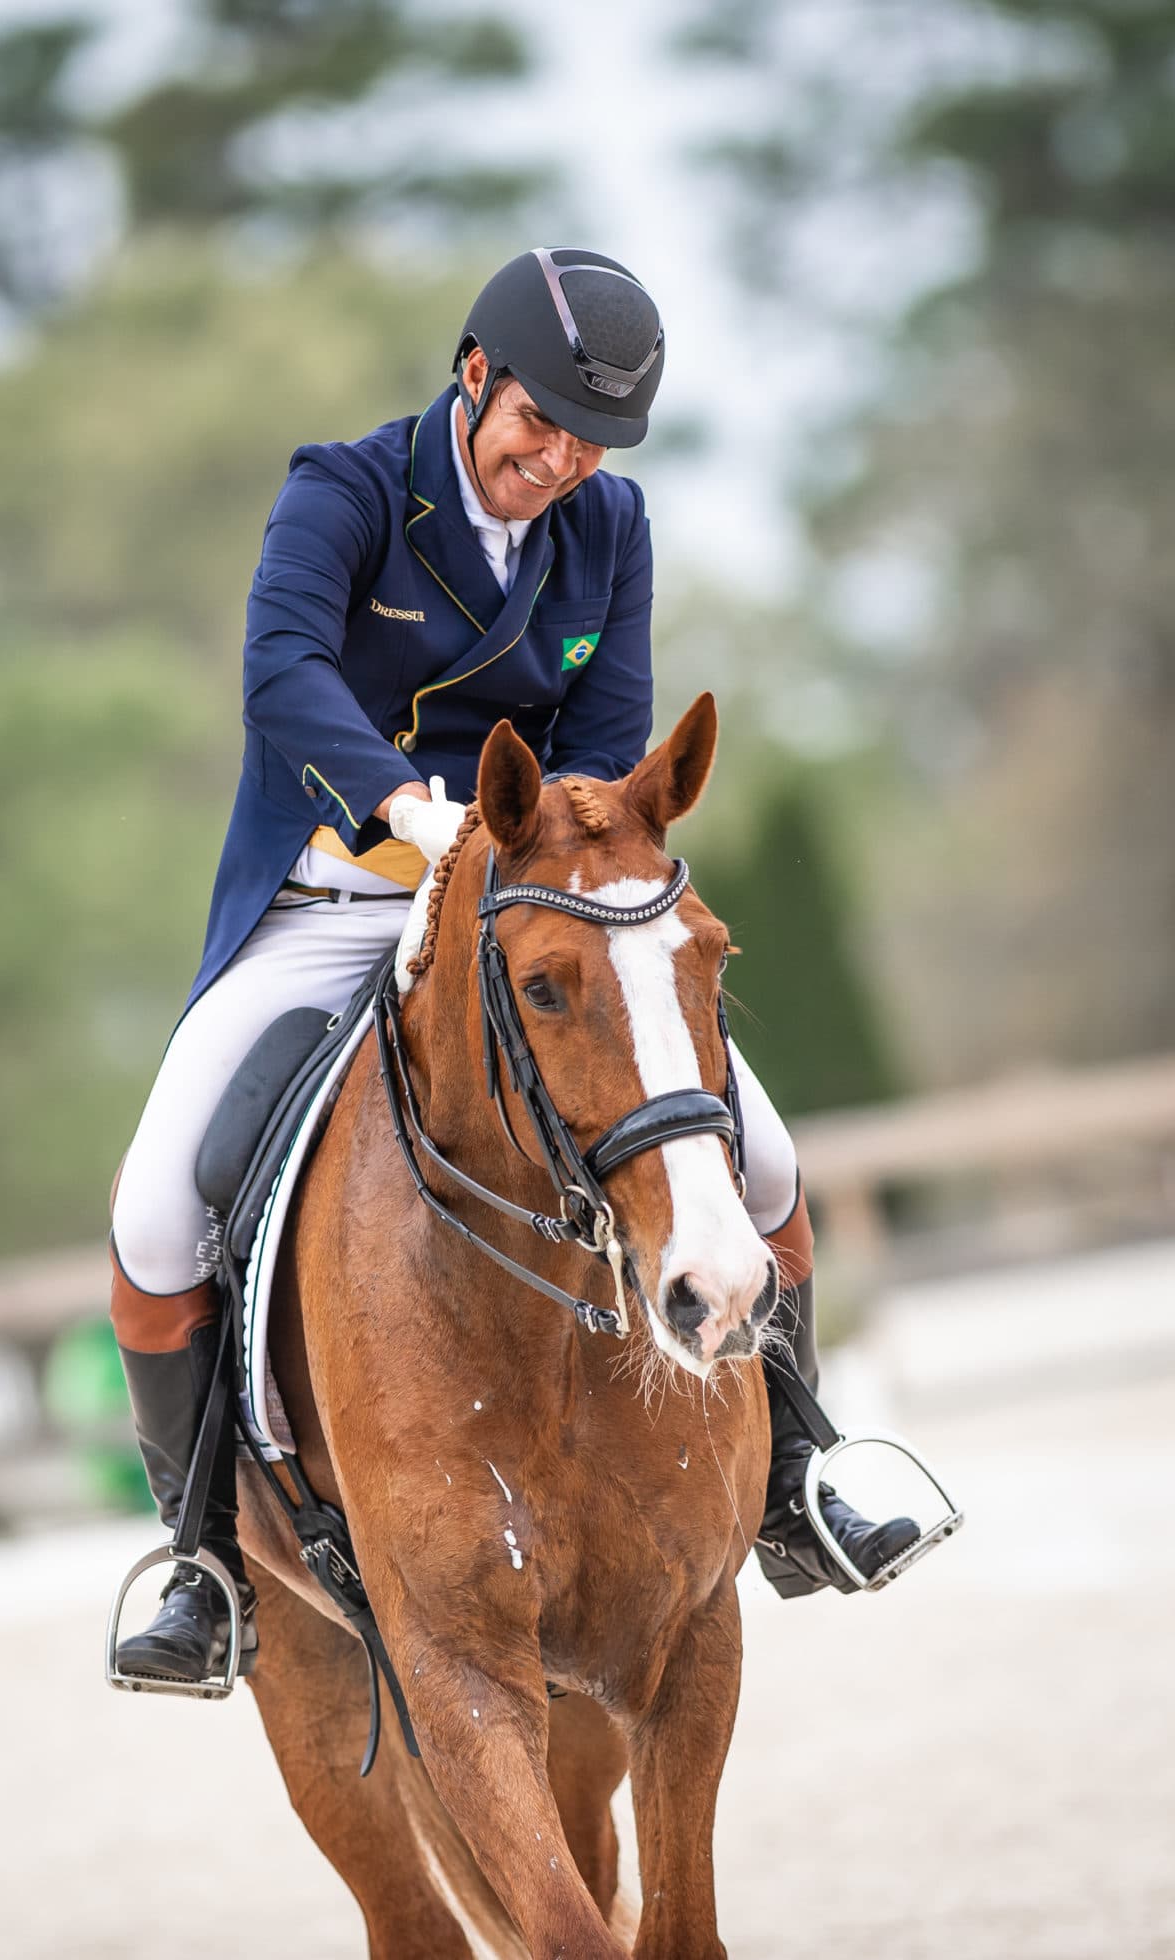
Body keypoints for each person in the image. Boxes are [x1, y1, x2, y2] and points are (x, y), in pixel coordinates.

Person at [108, 247, 923, 1688]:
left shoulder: (610, 526)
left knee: (766, 1161)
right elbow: (282, 672)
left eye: (591, 443)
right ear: (476, 375)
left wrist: (545, 857)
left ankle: (798, 1473)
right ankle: (205, 1562)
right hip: (333, 897)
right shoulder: (347, 493)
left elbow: (606, 734)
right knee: (160, 1212)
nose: (557, 464)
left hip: (526, 912)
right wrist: (412, 815)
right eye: (540, 424)